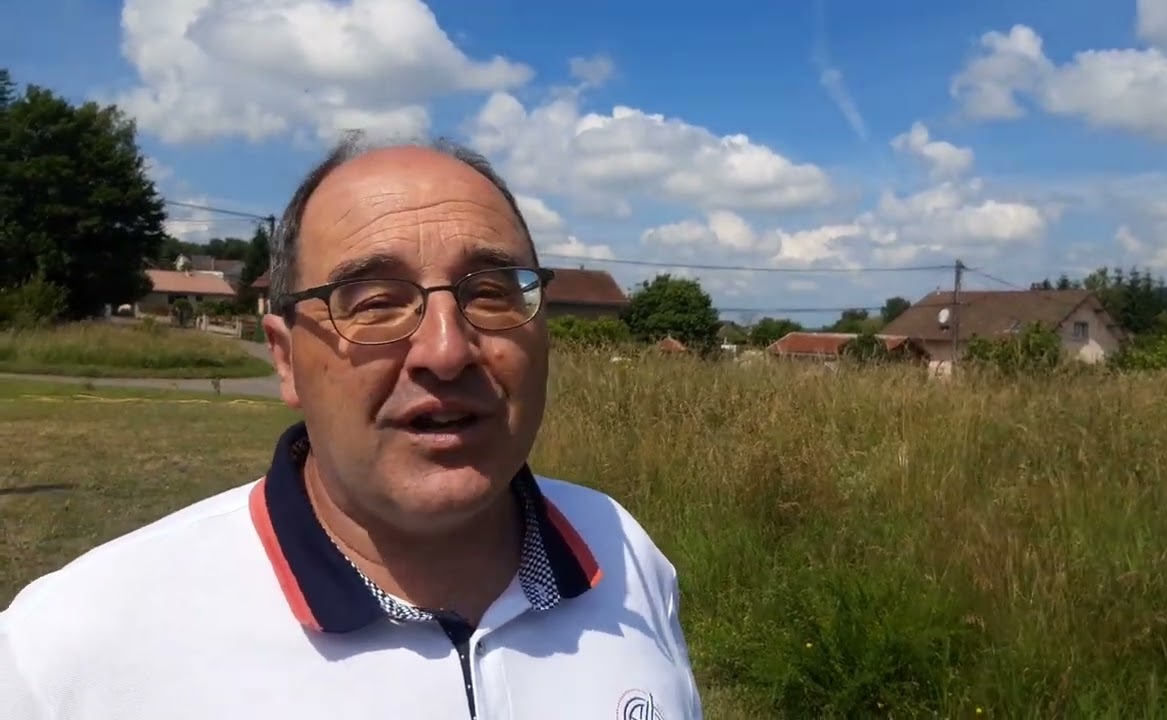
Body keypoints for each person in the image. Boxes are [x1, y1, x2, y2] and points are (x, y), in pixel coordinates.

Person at [0, 134, 703, 720]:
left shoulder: (623, 550)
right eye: (372, 301)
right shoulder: (71, 650)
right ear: (285, 359)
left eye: (490, 293)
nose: (446, 349)